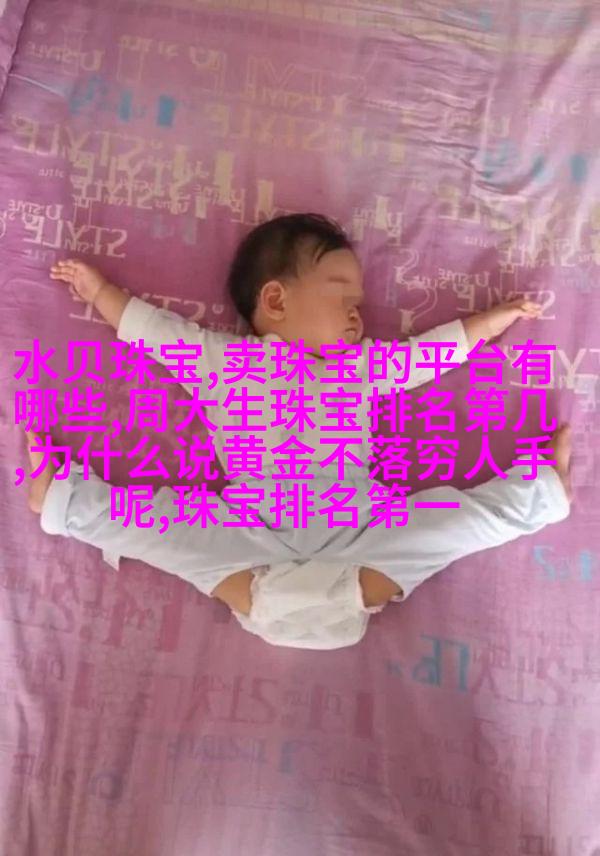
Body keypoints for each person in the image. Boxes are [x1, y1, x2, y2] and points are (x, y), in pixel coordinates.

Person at [24, 213, 573, 650]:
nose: (358, 316)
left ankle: (539, 493)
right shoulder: (222, 360)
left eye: (358, 306)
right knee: (161, 524)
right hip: (251, 522)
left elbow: (425, 357)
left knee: (447, 522)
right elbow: (153, 332)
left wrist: (488, 324)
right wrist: (99, 291)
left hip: (354, 520)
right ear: (275, 300)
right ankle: (65, 501)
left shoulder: (360, 367)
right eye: (344, 299)